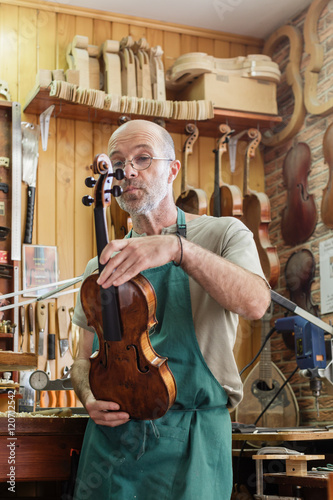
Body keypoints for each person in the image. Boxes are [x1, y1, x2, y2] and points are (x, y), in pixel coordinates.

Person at [70, 119, 271, 500]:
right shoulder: (100, 268)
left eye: (143, 158)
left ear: (172, 169)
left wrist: (178, 250)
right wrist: (88, 397)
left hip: (193, 438)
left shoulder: (224, 233)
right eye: (118, 162)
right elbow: (82, 359)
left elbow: (256, 303)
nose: (127, 171)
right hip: (113, 442)